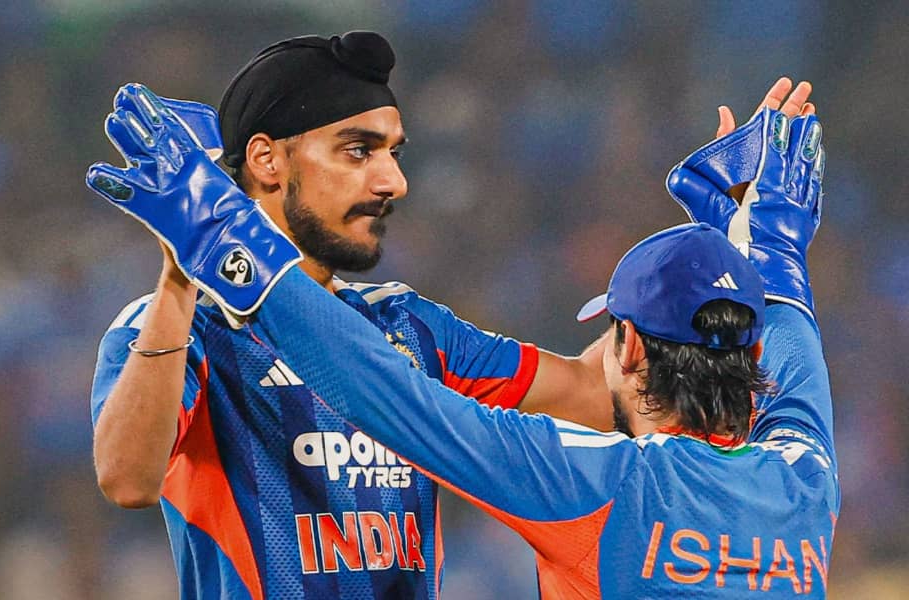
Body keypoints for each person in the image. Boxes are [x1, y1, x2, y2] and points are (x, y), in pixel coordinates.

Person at [88, 72, 836, 597]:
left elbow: (390, 398)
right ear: (751, 353)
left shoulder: (595, 480)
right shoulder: (807, 478)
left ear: (630, 347)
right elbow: (790, 328)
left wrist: (220, 236)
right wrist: (758, 240)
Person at [89, 31, 616, 600]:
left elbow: (596, 395)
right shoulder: (187, 327)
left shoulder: (410, 325)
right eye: (358, 150)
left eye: (394, 154)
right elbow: (128, 479)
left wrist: (687, 268)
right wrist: (180, 273)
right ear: (267, 160)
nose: (394, 183)